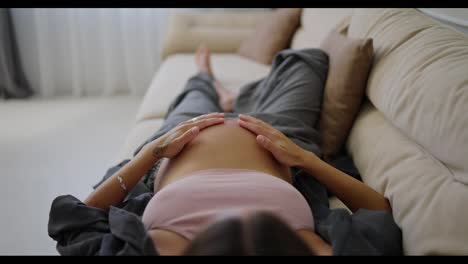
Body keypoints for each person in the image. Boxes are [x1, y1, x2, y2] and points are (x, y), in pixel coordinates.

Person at [48, 45, 402, 256]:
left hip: (179, 143)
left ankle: (205, 77)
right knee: (304, 59)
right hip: (281, 139)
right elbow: (379, 211)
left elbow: (78, 217)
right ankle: (236, 96)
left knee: (194, 96)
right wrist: (303, 159)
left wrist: (154, 152)